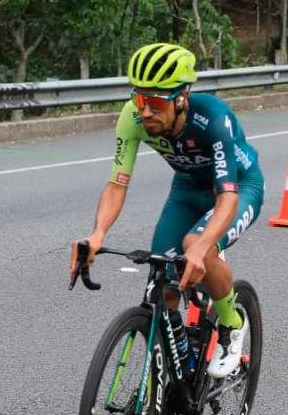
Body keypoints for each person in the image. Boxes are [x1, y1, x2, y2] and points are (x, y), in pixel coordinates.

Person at [70, 41, 264, 389]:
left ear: (181, 99)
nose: (144, 112)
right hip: (188, 189)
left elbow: (227, 196)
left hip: (237, 187)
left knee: (195, 244)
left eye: (155, 103)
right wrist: (96, 234)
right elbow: (117, 184)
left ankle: (232, 324)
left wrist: (204, 243)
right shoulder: (132, 119)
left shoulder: (213, 119)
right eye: (139, 100)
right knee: (162, 280)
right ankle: (176, 371)